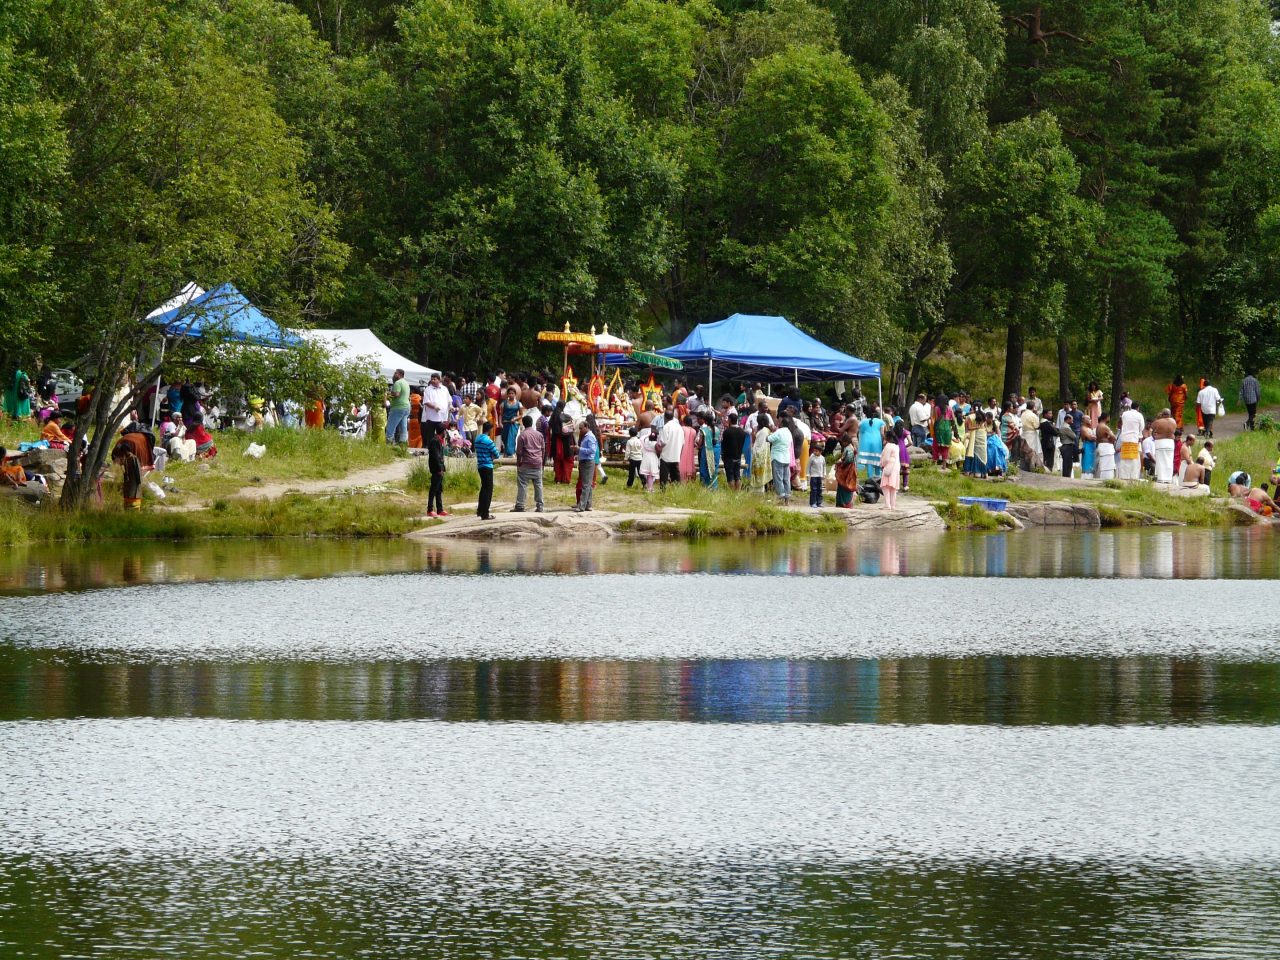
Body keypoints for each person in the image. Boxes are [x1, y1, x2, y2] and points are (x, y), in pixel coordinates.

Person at [511, 414, 544, 513]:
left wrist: (518, 464)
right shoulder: (539, 435)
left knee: (522, 485)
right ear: (532, 423)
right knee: (538, 485)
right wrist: (542, 462)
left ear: (523, 424)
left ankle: (520, 505)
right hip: (538, 463)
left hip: (526, 463)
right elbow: (543, 449)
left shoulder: (522, 436)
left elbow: (519, 452)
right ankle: (540, 506)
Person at [572, 421, 598, 512]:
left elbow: (592, 450)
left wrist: (580, 449)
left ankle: (581, 506)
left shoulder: (590, 437)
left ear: (586, 427)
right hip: (584, 460)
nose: (580, 430)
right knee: (588, 484)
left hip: (588, 462)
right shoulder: (586, 436)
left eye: (581, 428)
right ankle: (588, 504)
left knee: (586, 485)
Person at [1117, 401, 1145, 481]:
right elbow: (1142, 427)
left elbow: (1123, 423)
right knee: (1133, 458)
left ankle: (1124, 476)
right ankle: (1133, 476)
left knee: (1125, 457)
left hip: (1125, 438)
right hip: (1133, 439)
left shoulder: (1125, 414)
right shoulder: (1139, 415)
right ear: (1138, 407)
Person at [768, 418, 793, 505]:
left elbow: (769, 439)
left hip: (777, 457)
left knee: (778, 478)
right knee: (786, 479)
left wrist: (771, 431)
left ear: (781, 424)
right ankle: (787, 498)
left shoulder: (779, 432)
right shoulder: (789, 432)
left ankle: (781, 496)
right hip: (786, 458)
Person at [426, 422, 448, 517]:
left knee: (439, 489)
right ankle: (430, 509)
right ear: (443, 432)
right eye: (445, 432)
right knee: (433, 489)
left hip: (440, 469)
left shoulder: (439, 441)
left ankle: (440, 509)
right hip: (436, 469)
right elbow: (436, 456)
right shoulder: (435, 441)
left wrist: (443, 468)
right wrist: (439, 468)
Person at [857, 407, 886, 479]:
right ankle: (878, 477)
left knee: (868, 460)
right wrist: (885, 441)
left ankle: (870, 478)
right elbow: (882, 433)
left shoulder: (863, 421)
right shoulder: (880, 421)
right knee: (877, 458)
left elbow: (859, 430)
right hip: (876, 441)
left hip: (865, 441)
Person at [721, 412, 747, 490]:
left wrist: (723, 455)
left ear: (729, 420)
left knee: (730, 476)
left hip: (729, 457)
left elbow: (724, 445)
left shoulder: (727, 431)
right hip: (738, 456)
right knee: (737, 476)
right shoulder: (742, 432)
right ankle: (737, 493)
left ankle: (732, 493)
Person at [658, 411, 684, 487]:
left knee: (664, 474)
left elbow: (663, 441)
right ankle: (677, 488)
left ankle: (663, 489)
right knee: (675, 473)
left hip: (666, 454)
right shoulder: (679, 427)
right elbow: (683, 442)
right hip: (676, 454)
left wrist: (659, 447)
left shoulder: (666, 427)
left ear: (665, 418)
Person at [385, 369, 411, 444]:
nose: (394, 374)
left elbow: (396, 394)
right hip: (406, 407)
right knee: (403, 427)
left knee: (391, 426)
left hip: (398, 407)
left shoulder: (398, 383)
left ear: (399, 374)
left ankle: (389, 443)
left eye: (395, 373)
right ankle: (403, 444)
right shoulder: (406, 383)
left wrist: (388, 394)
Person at [1151, 408, 1177, 483]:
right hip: (1170, 443)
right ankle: (1168, 478)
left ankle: (1161, 478)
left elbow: (1152, 426)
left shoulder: (1159, 421)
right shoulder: (1173, 421)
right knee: (1169, 460)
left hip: (1161, 442)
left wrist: (1158, 418)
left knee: (1160, 460)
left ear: (1163, 414)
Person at [879, 425, 902, 509]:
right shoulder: (896, 446)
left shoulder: (888, 446)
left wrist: (882, 464)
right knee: (893, 487)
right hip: (896, 467)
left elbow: (886, 459)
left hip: (889, 467)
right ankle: (893, 505)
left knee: (885, 486)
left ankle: (887, 504)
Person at [832, 436, 857, 508]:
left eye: (843, 442)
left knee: (846, 485)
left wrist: (841, 464)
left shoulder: (849, 448)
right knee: (843, 486)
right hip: (848, 469)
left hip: (847, 470)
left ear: (846, 442)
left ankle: (845, 502)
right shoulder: (850, 447)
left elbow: (848, 460)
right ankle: (842, 502)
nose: (842, 444)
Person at [697, 412, 719, 488]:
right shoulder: (717, 429)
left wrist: (696, 443)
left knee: (704, 468)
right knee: (714, 468)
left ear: (705, 421)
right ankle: (714, 486)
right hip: (716, 450)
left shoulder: (703, 430)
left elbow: (700, 443)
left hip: (706, 451)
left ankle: (705, 486)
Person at [751, 415, 772, 493]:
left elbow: (759, 444)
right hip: (763, 454)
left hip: (760, 454)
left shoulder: (763, 431)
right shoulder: (766, 430)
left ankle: (759, 490)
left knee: (759, 473)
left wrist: (753, 436)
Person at [499, 387, 522, 455]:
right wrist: (500, 422)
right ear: (507, 394)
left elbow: (521, 415)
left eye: (512, 393)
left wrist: (515, 418)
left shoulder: (518, 403)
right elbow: (501, 414)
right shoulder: (504, 403)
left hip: (513, 424)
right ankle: (507, 452)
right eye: (509, 393)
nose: (511, 395)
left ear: (515, 394)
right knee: (505, 438)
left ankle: (511, 453)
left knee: (511, 438)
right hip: (505, 423)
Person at [639, 424, 661, 492]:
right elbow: (659, 450)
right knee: (651, 474)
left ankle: (648, 486)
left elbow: (641, 439)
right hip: (653, 458)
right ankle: (650, 488)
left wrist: (647, 435)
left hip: (646, 457)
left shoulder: (646, 442)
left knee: (648, 474)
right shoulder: (656, 444)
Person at [1095, 414, 1117, 480]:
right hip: (1106, 446)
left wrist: (1109, 436)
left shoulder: (1098, 426)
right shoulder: (1104, 427)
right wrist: (1109, 437)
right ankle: (1107, 479)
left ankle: (1104, 478)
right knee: (1108, 465)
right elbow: (1114, 437)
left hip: (1101, 445)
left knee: (1104, 465)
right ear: (1106, 417)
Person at [807, 441, 826, 507]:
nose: (815, 452)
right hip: (813, 476)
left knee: (819, 489)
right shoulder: (812, 457)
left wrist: (824, 474)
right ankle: (813, 503)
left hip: (820, 476)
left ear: (820, 452)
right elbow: (808, 466)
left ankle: (819, 502)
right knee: (814, 490)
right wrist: (808, 474)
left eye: (816, 451)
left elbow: (824, 466)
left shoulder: (822, 458)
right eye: (814, 451)